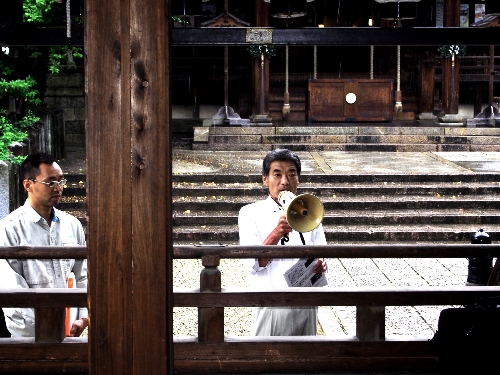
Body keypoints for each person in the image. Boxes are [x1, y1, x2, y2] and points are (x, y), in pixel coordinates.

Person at [238, 148, 327, 336]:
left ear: (298, 179)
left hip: (306, 299)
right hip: (272, 301)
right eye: (277, 175)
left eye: (291, 174)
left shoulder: (309, 210)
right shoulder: (250, 213)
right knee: (269, 360)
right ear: (265, 179)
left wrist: (322, 263)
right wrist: (276, 234)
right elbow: (253, 265)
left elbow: (321, 251)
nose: (284, 182)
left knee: (304, 358)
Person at [0, 153, 88, 337]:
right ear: (28, 185)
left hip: (69, 330)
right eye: (50, 182)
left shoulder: (72, 225)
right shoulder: (9, 228)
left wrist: (83, 317)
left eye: (61, 181)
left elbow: (83, 275)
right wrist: (46, 327)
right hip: (26, 335)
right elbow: (12, 289)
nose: (58, 188)